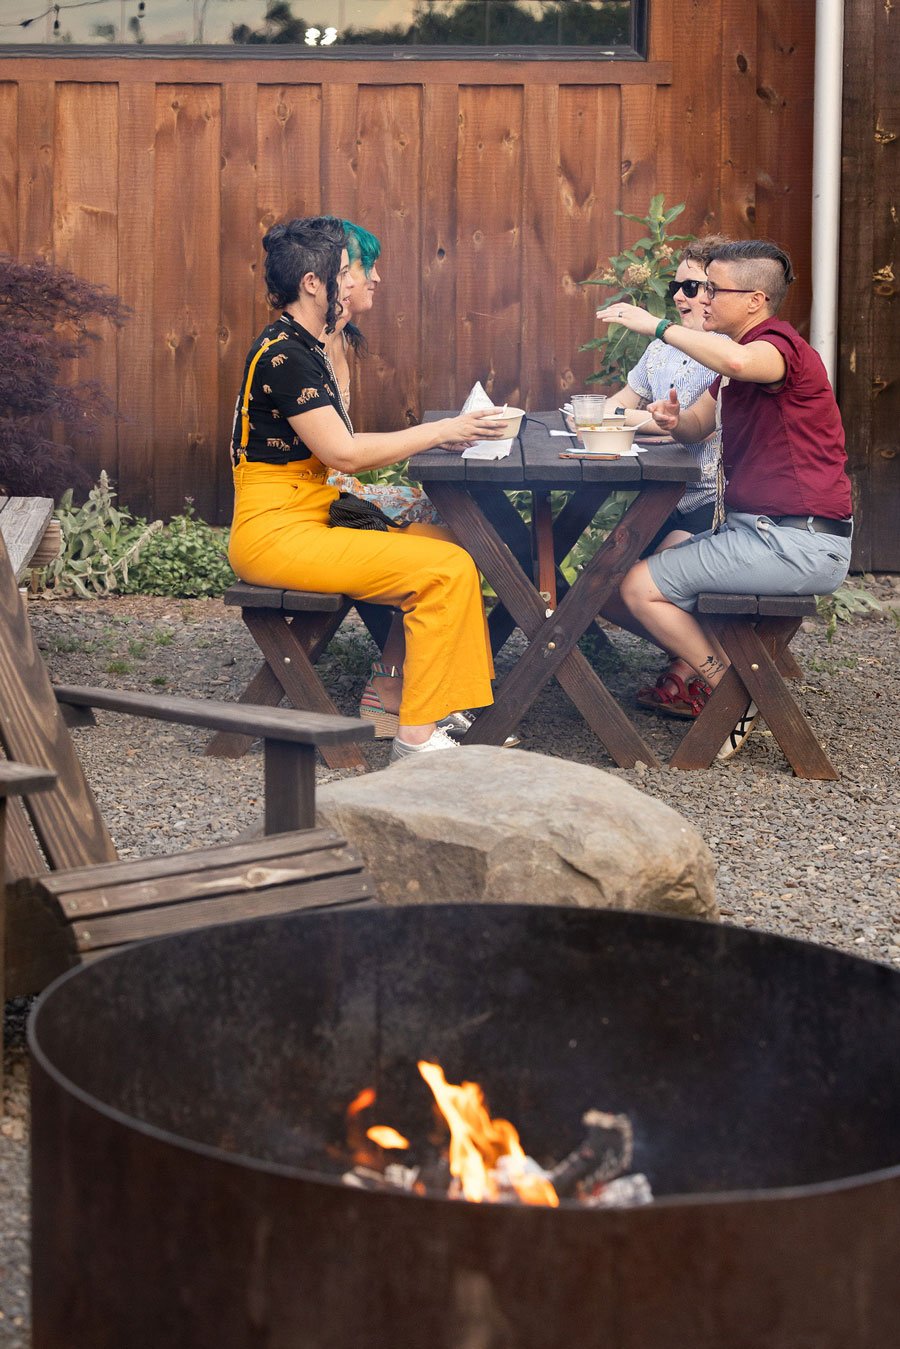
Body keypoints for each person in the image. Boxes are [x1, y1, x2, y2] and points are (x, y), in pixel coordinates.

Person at [228, 216, 506, 763]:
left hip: (310, 513)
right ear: (315, 282)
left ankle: (409, 699)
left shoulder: (309, 343)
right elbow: (343, 453)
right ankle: (417, 740)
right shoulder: (282, 355)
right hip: (275, 533)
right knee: (442, 571)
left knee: (452, 544)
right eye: (356, 269)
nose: (369, 279)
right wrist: (445, 430)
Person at [596, 238, 853, 758]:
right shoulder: (732, 369)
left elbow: (739, 361)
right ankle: (732, 682)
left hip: (796, 542)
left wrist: (658, 327)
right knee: (612, 578)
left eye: (715, 288)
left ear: (755, 300)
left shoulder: (778, 349)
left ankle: (730, 689)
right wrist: (673, 421)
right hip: (759, 532)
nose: (704, 298)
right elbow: (696, 426)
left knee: (639, 587)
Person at [591, 236, 729, 719]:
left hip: (710, 505)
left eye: (692, 287)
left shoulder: (730, 352)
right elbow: (614, 410)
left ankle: (710, 674)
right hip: (661, 497)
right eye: (677, 285)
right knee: (599, 586)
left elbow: (692, 426)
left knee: (647, 578)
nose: (678, 296)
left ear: (721, 293)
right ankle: (691, 662)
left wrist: (638, 424)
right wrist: (600, 417)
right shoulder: (660, 352)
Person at [324, 220, 439, 527]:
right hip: (322, 503)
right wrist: (438, 434)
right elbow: (342, 452)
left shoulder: (342, 336)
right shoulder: (307, 347)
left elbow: (341, 441)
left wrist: (435, 438)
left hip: (342, 490)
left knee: (441, 509)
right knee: (442, 513)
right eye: (368, 266)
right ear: (339, 273)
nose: (377, 277)